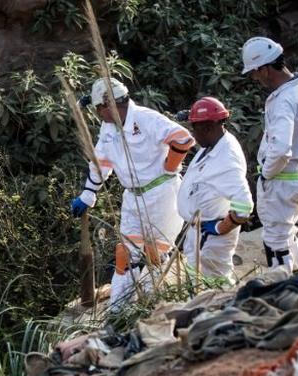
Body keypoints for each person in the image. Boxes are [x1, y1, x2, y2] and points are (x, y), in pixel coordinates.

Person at [71, 77, 194, 311]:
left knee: (154, 255)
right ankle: (118, 310)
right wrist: (88, 193)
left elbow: (183, 139)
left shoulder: (146, 118)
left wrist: (170, 165)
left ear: (108, 105)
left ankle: (152, 304)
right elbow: (101, 164)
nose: (98, 114)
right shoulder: (108, 129)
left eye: (99, 109)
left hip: (161, 194)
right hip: (133, 197)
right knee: (125, 253)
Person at [241, 36, 298, 272]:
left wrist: (267, 175)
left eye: (254, 73)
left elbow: (281, 150)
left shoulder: (283, 100)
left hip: (281, 184)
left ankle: (283, 289)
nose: (255, 78)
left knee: (275, 242)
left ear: (264, 69)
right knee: (288, 233)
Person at [177, 97, 253, 285]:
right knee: (197, 283)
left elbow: (244, 205)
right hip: (200, 231)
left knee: (218, 286)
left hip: (211, 235)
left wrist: (220, 228)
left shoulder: (226, 160)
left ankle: (225, 312)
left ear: (208, 128)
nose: (193, 135)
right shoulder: (215, 142)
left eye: (195, 129)